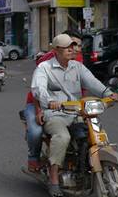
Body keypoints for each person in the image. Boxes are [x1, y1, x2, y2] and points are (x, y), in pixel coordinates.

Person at [31, 33, 118, 197]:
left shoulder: (77, 67)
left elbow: (92, 82)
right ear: (56, 50)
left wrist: (108, 93)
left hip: (78, 112)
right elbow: (38, 89)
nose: (72, 50)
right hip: (56, 114)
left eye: (73, 46)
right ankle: (54, 178)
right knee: (62, 136)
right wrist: (49, 101)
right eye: (67, 47)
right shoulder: (44, 68)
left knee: (96, 135)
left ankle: (88, 166)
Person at [24, 30, 83, 173]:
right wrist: (40, 111)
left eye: (78, 45)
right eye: (71, 44)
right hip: (40, 103)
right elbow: (39, 91)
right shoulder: (47, 62)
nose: (74, 48)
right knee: (36, 131)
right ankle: (33, 158)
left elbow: (81, 86)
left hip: (68, 105)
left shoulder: (78, 60)